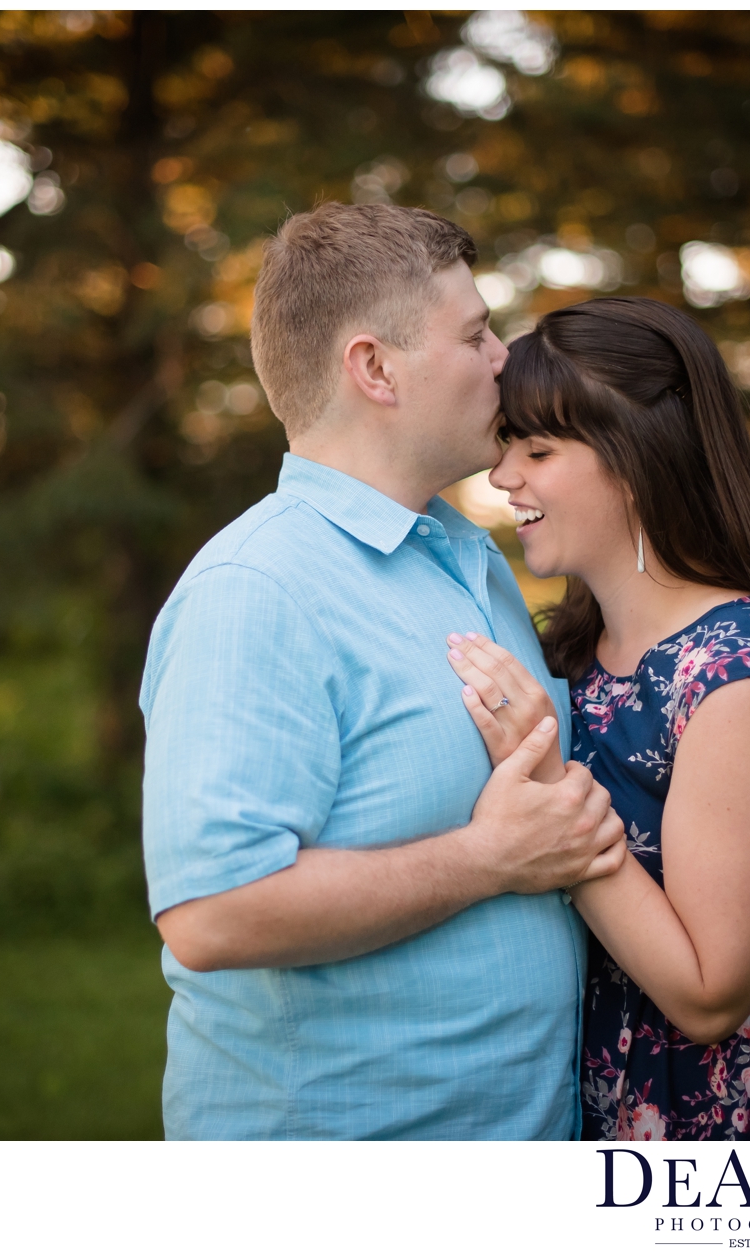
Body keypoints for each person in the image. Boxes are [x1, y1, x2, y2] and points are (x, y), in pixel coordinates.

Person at [139, 202, 628, 1140]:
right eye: (477, 332)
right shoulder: (259, 588)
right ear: (374, 368)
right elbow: (213, 912)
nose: (503, 358)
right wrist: (490, 859)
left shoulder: (470, 559)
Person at [442, 296, 750, 1139]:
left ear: (634, 460)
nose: (503, 478)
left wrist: (551, 795)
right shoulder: (571, 651)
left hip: (723, 1125)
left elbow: (711, 992)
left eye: (537, 449)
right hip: (596, 1098)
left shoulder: (738, 677)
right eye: (507, 446)